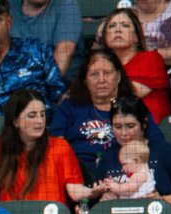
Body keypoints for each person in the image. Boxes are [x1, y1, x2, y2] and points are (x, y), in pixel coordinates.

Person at [0, 89, 87, 207]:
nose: (40, 121)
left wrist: (95, 191)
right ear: (16, 121)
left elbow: (75, 190)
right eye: (32, 116)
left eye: (42, 114)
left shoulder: (60, 147)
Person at [89, 96, 171, 208]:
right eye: (117, 126)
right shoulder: (108, 158)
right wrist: (103, 200)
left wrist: (162, 201)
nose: (124, 133)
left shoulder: (165, 151)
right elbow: (92, 201)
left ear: (144, 124)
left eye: (130, 126)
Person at [50, 48, 134, 178]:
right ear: (85, 80)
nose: (101, 80)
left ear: (118, 76)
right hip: (76, 174)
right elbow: (55, 148)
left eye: (107, 73)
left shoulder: (133, 107)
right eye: (94, 74)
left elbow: (152, 145)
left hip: (122, 173)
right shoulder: (69, 107)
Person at [98, 7, 171, 123]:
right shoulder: (100, 65)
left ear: (137, 36)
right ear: (105, 37)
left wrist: (95, 89)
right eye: (112, 26)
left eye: (125, 25)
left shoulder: (151, 59)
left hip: (148, 131)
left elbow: (128, 95)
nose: (118, 30)